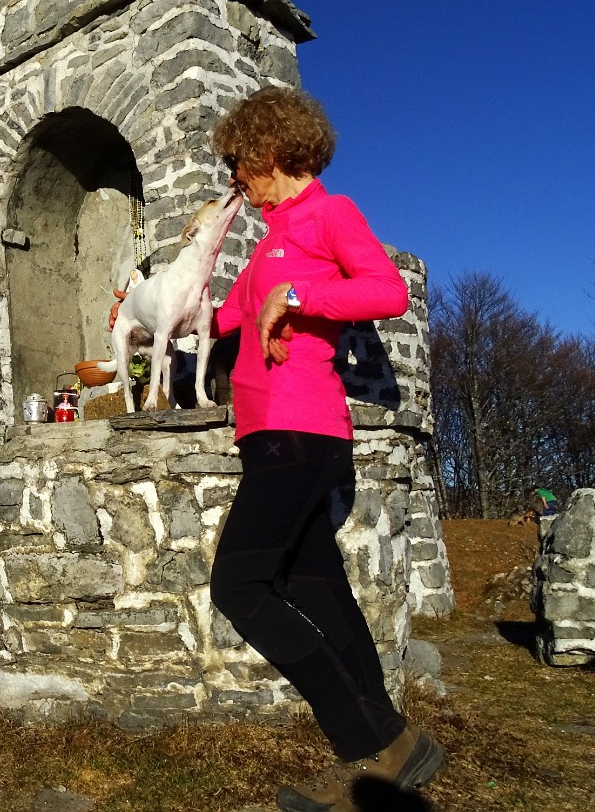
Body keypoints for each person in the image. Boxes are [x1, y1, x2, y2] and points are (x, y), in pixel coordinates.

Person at [204, 86, 446, 811]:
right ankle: (395, 750)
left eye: (237, 164)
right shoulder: (266, 244)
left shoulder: (328, 214)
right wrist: (148, 307)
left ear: (270, 151)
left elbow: (385, 291)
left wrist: (301, 300)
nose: (233, 180)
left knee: (239, 587)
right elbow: (216, 315)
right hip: (270, 437)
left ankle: (366, 735)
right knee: (319, 590)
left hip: (301, 432)